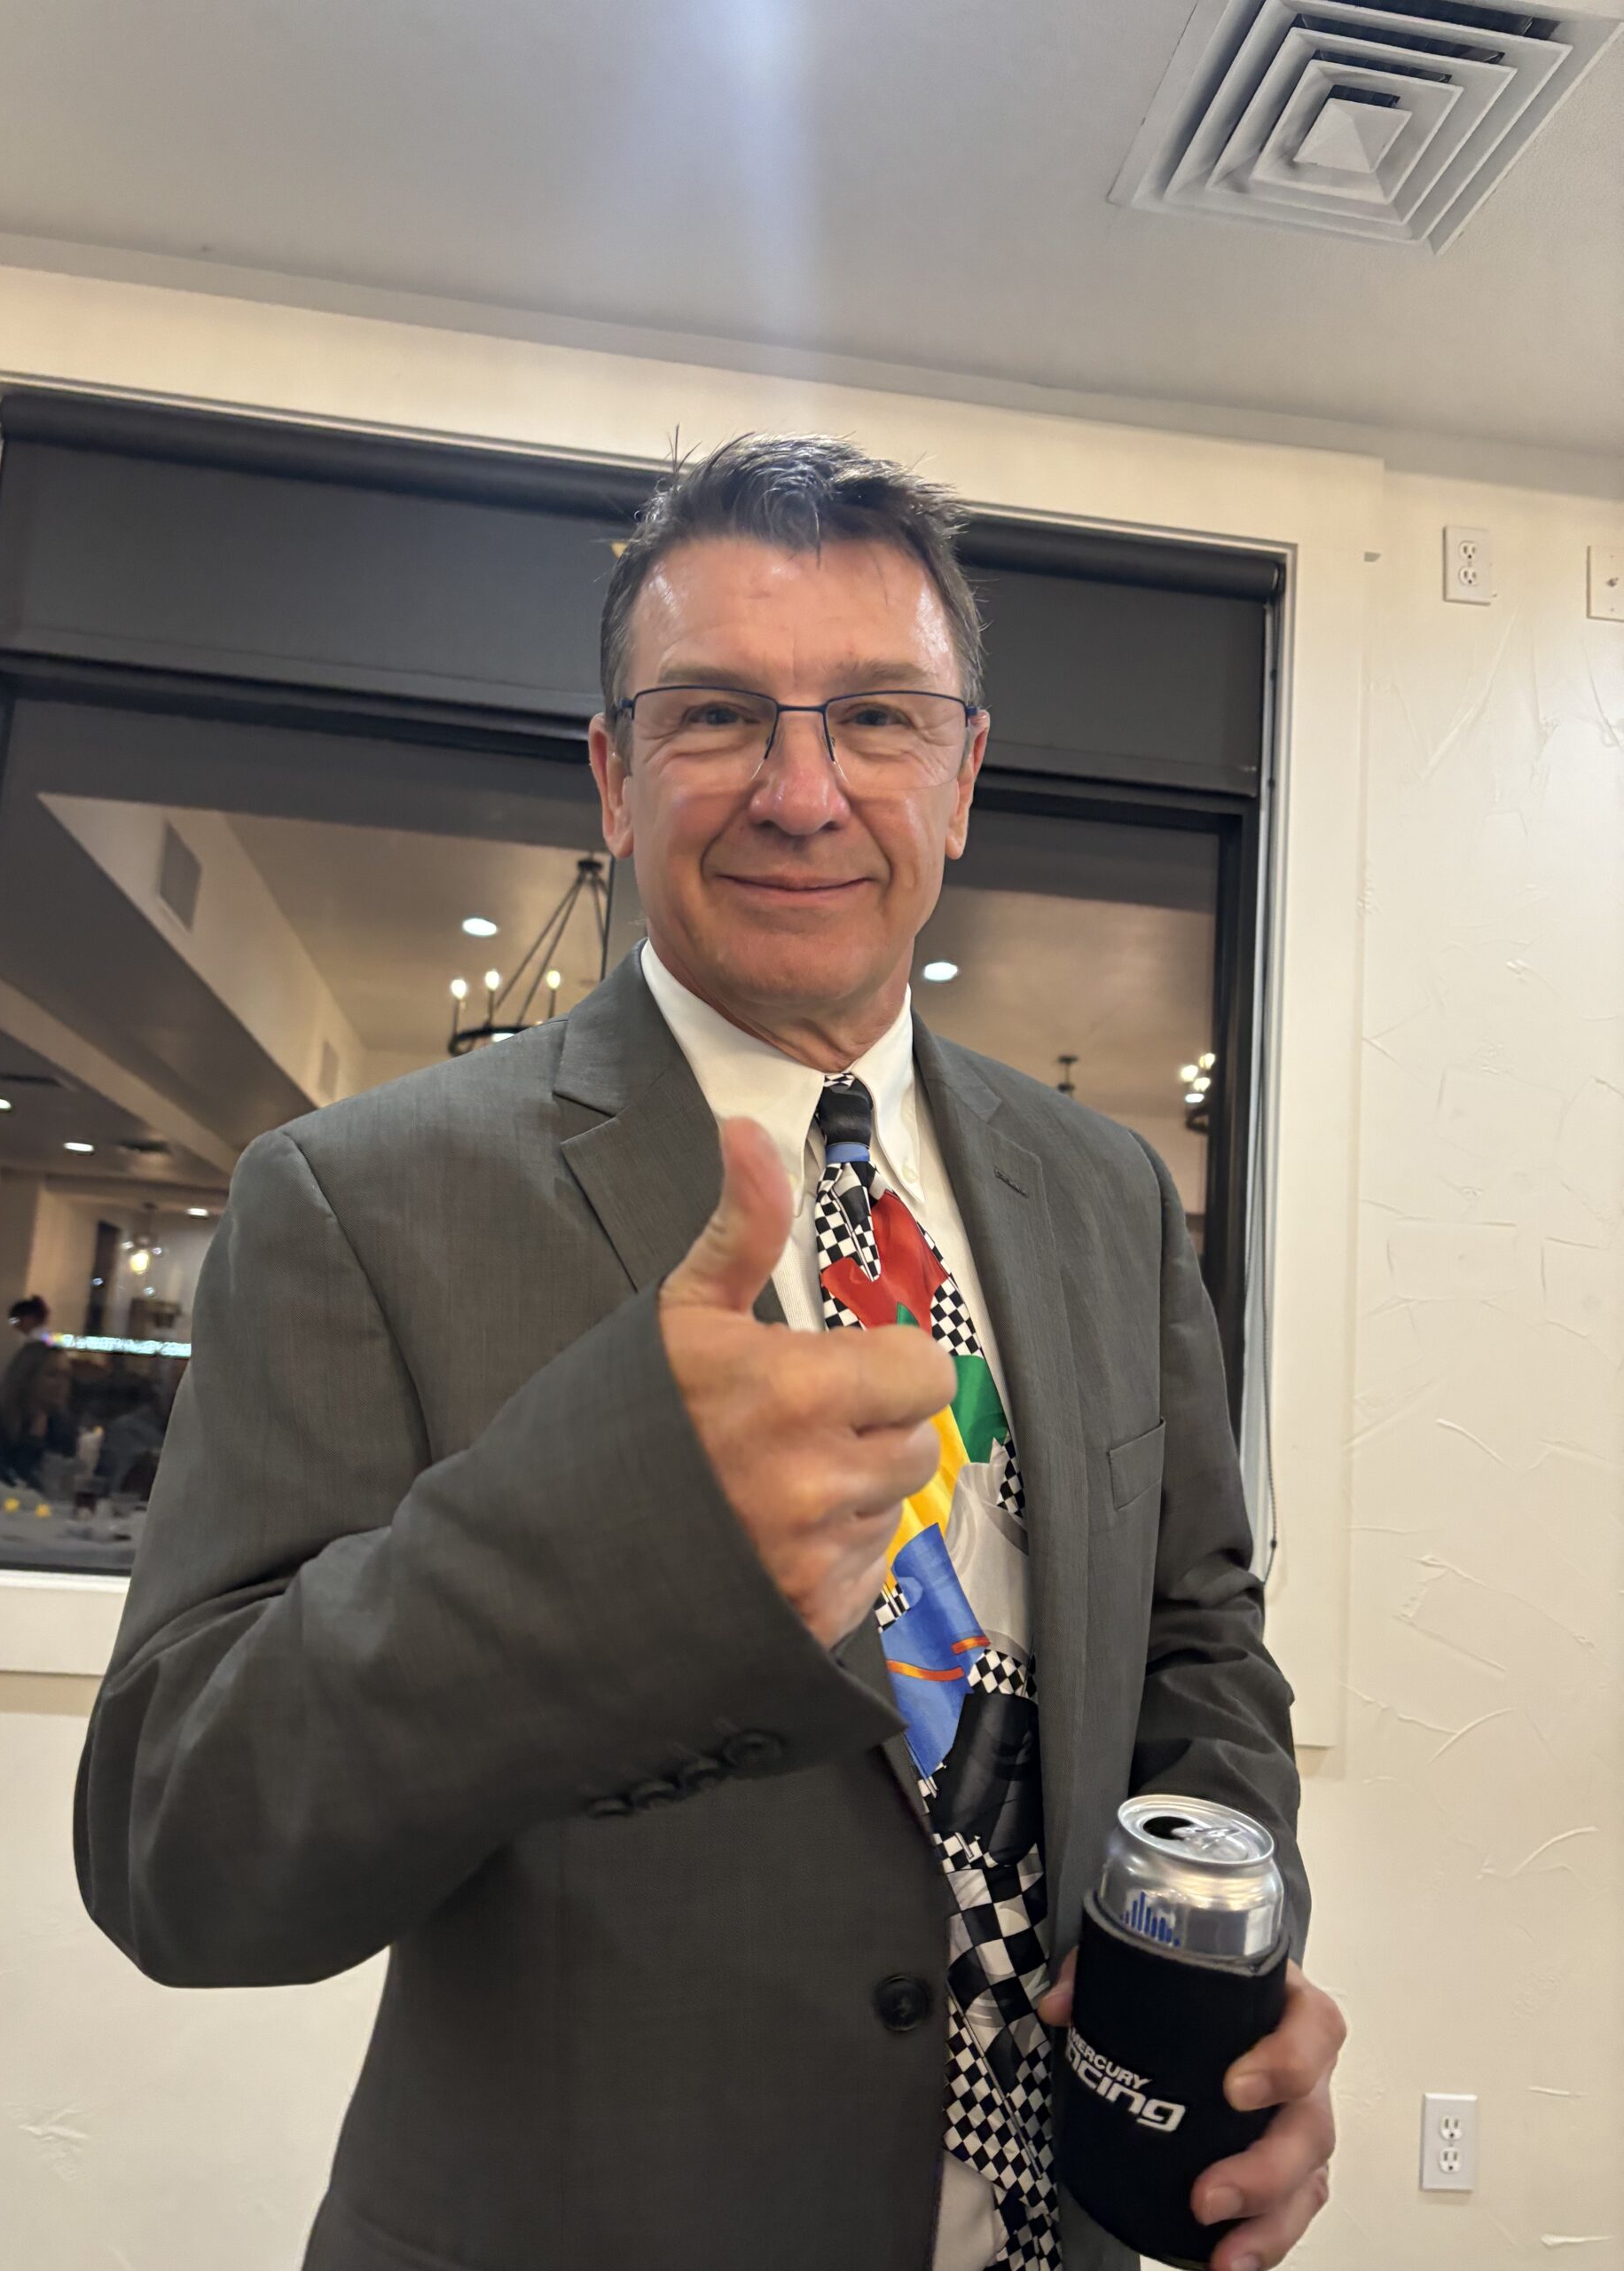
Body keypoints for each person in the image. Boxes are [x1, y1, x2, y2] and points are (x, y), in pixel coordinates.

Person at [75, 436, 1343, 2271]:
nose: (802, 793)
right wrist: (604, 1529)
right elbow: (177, 1849)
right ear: (614, 775)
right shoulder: (359, 1196)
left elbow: (1200, 1642)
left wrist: (1219, 1941)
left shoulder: (1106, 1192)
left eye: (880, 718)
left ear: (967, 778)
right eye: (718, 715)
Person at [0, 1341, 77, 1492]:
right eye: (52, 1375)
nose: (62, 1384)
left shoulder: (61, 1424)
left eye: (66, 1376)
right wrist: (33, 1441)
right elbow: (3, 1483)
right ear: (27, 1378)